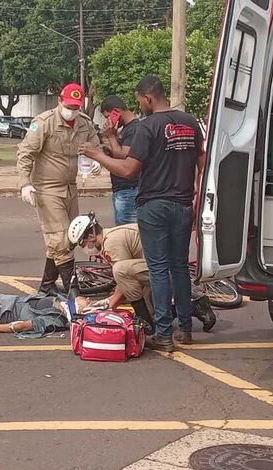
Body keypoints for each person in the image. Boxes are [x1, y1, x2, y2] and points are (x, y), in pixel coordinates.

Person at [80, 75, 203, 352]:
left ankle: (163, 334)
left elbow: (129, 170)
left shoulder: (148, 126)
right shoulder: (190, 123)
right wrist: (196, 196)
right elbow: (202, 161)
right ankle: (185, 328)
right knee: (180, 267)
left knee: (159, 269)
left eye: (139, 101)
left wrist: (96, 155)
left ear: (148, 98)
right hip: (183, 204)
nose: (140, 106)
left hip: (154, 206)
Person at [67, 213, 215, 335]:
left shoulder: (111, 242)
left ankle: (147, 321)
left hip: (164, 271)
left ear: (91, 236)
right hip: (164, 269)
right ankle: (195, 307)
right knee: (150, 307)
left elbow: (123, 278)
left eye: (82, 243)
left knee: (120, 271)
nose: (84, 248)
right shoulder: (111, 237)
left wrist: (109, 305)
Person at [17, 83, 100, 295]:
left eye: (76, 107)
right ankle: (74, 293)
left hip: (71, 188)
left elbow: (95, 146)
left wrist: (97, 160)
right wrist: (25, 183)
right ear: (59, 101)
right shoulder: (44, 122)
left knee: (69, 238)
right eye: (69, 106)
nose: (72, 111)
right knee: (61, 239)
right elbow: (26, 153)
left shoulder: (84, 123)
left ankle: (46, 286)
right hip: (47, 188)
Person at [99, 95, 141, 225]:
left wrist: (111, 136)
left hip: (129, 190)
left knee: (127, 234)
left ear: (116, 111)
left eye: (108, 116)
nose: (108, 120)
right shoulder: (126, 129)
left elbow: (124, 156)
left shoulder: (134, 128)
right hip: (123, 190)